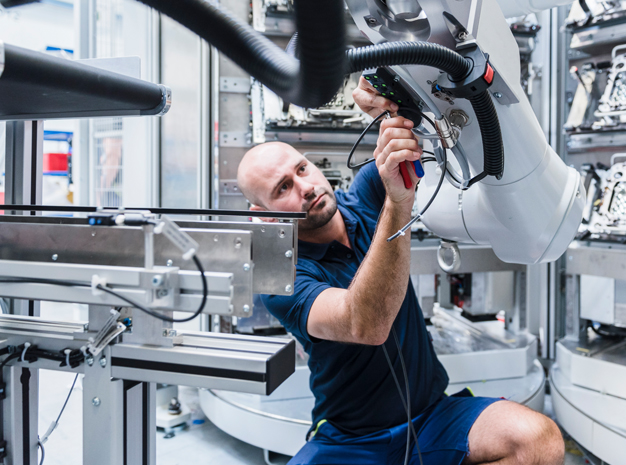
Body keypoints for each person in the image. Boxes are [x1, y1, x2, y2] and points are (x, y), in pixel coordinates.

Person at [236, 77, 565, 465]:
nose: (305, 187)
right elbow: (365, 324)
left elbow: (427, 126)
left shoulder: (364, 196)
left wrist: (388, 99)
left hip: (432, 417)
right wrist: (398, 202)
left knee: (539, 442)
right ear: (263, 214)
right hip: (350, 438)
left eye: (303, 169)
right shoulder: (281, 277)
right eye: (283, 188)